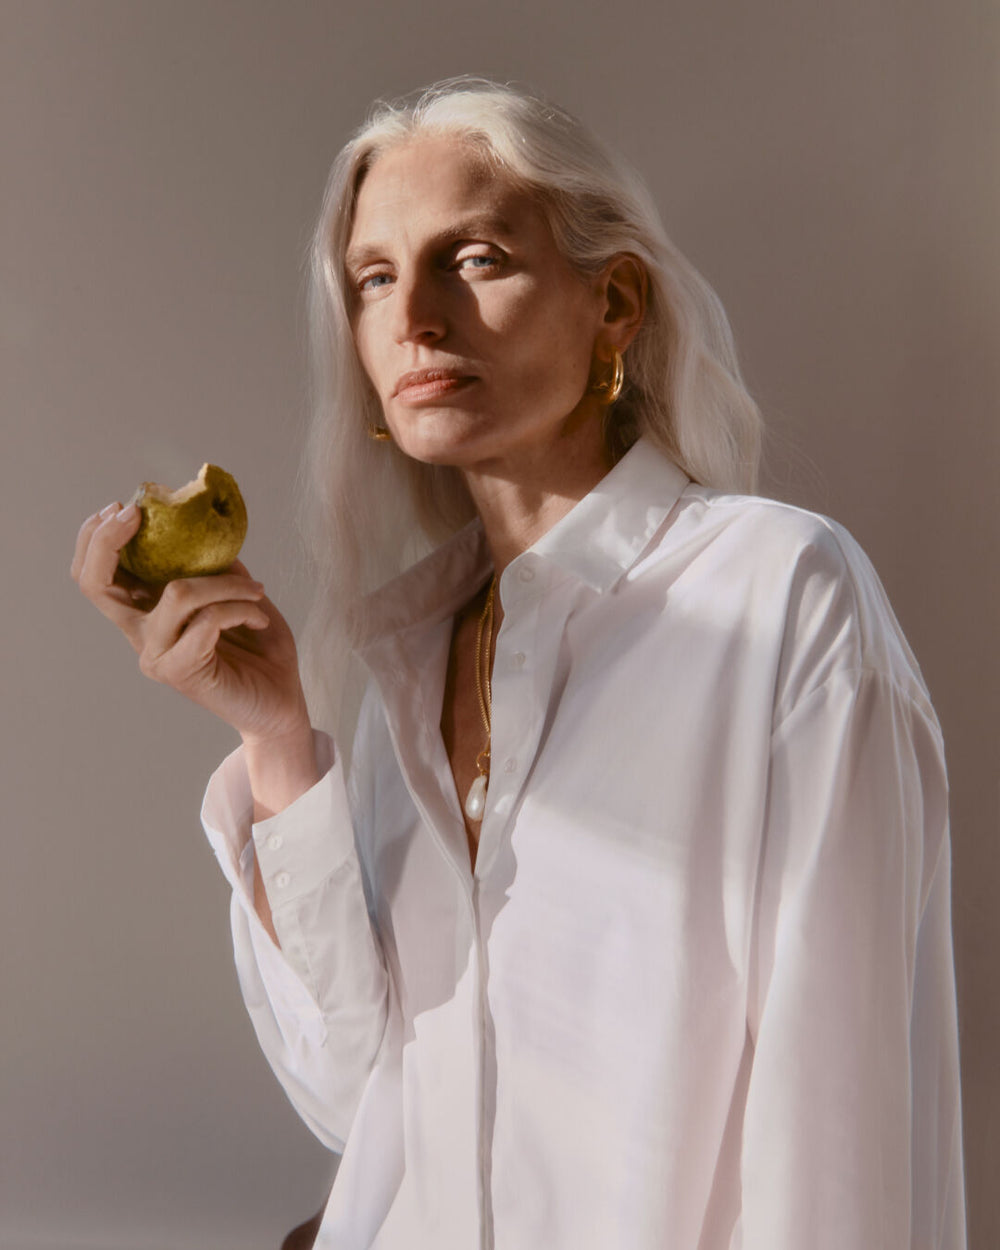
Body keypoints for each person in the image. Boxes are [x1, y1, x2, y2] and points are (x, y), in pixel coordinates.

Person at [72, 78, 966, 1249]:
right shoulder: (411, 651)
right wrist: (277, 741)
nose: (415, 319)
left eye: (476, 257)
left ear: (616, 301)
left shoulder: (779, 596)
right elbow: (359, 1094)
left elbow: (837, 1129)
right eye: (375, 279)